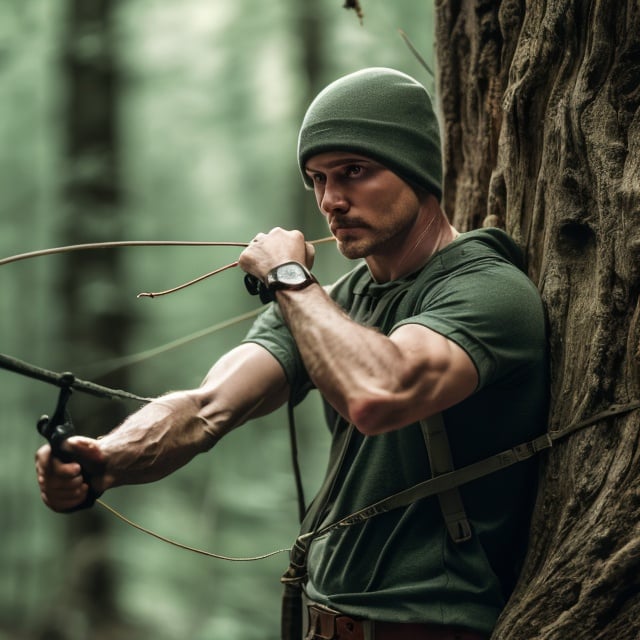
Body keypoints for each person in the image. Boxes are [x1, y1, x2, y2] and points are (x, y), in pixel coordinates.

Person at [36, 67, 549, 640]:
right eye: (317, 179)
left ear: (416, 169)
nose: (331, 200)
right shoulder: (331, 304)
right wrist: (103, 460)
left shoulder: (486, 289)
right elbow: (206, 409)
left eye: (355, 171)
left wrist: (288, 279)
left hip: (433, 625)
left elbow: (378, 393)